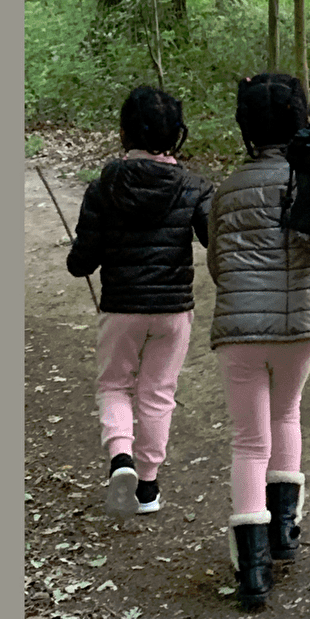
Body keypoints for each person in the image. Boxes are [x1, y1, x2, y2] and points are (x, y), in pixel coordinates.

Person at [207, 74, 310, 610]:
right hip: (299, 325)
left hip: (241, 329)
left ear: (245, 127)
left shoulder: (227, 189)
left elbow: (217, 264)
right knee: (287, 414)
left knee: (248, 439)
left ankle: (253, 572)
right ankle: (284, 533)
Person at [66, 85, 213, 519]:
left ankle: (120, 460)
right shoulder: (194, 186)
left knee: (115, 385)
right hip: (173, 311)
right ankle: (147, 486)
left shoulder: (104, 186)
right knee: (158, 393)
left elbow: (81, 262)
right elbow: (214, 240)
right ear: (177, 135)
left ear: (124, 132)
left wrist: (79, 255)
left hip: (121, 308)